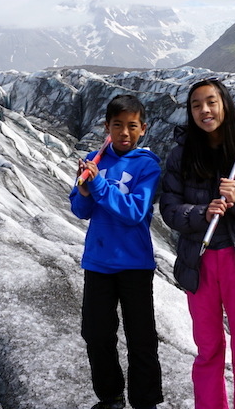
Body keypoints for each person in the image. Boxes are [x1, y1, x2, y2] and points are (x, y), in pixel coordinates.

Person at [159, 78, 235, 409]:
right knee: (209, 350)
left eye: (211, 102)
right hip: (198, 264)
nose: (204, 110)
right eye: (196, 105)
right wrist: (203, 212)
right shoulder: (181, 157)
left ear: (224, 104)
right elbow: (169, 210)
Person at [70, 94, 164, 409]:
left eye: (132, 126)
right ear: (107, 127)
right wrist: (84, 190)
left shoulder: (147, 166)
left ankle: (145, 401)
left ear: (143, 129)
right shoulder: (94, 160)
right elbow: (80, 209)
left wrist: (96, 187)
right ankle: (110, 397)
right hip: (98, 262)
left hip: (134, 264)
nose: (125, 132)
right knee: (96, 335)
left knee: (142, 339)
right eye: (118, 125)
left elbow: (135, 211)